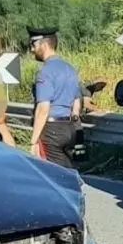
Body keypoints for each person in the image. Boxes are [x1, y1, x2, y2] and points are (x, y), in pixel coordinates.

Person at [27, 27, 81, 168]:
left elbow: (43, 109)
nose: (32, 50)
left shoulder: (45, 72)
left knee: (54, 174)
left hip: (52, 130)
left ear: (43, 45)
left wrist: (33, 141)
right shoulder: (70, 69)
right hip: (70, 128)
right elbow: (77, 102)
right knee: (68, 168)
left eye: (33, 45)